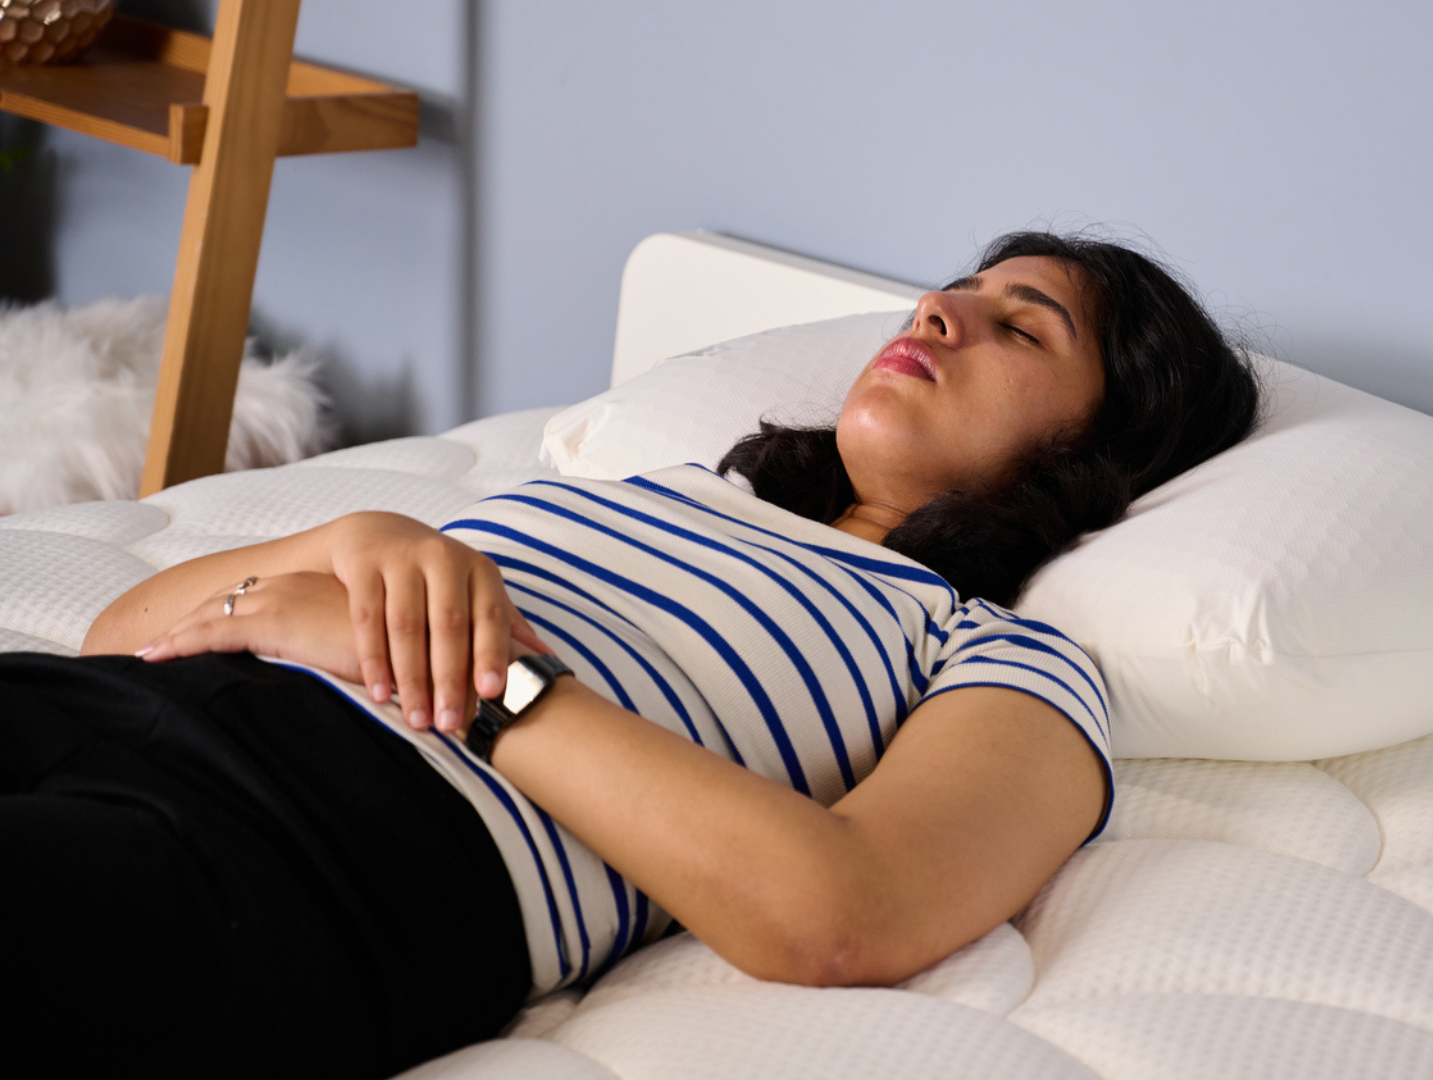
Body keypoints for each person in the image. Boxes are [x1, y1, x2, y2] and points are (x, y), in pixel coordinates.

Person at [2, 232, 1259, 1076]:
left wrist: (492, 687)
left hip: (318, 853)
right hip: (109, 707)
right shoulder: (651, 486)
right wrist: (356, 536)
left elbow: (843, 915)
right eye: (961, 291)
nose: (942, 309)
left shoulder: (992, 652)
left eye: (1022, 328)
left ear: (1104, 449)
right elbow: (127, 634)